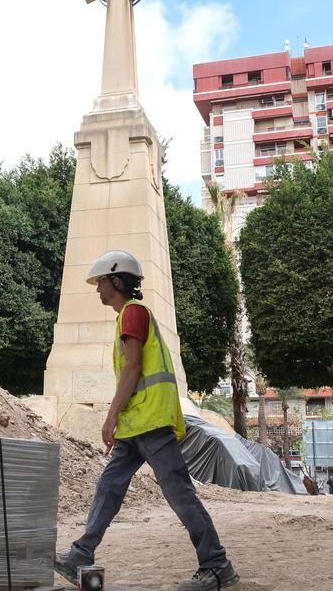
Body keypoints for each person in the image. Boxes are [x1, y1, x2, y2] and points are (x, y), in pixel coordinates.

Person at [55, 251, 239, 591]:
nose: (97, 290)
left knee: (180, 494)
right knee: (109, 487)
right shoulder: (127, 316)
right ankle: (81, 553)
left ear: (116, 281)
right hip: (136, 424)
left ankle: (216, 565)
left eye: (100, 283)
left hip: (150, 422)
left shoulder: (133, 313)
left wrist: (110, 417)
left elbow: (133, 367)